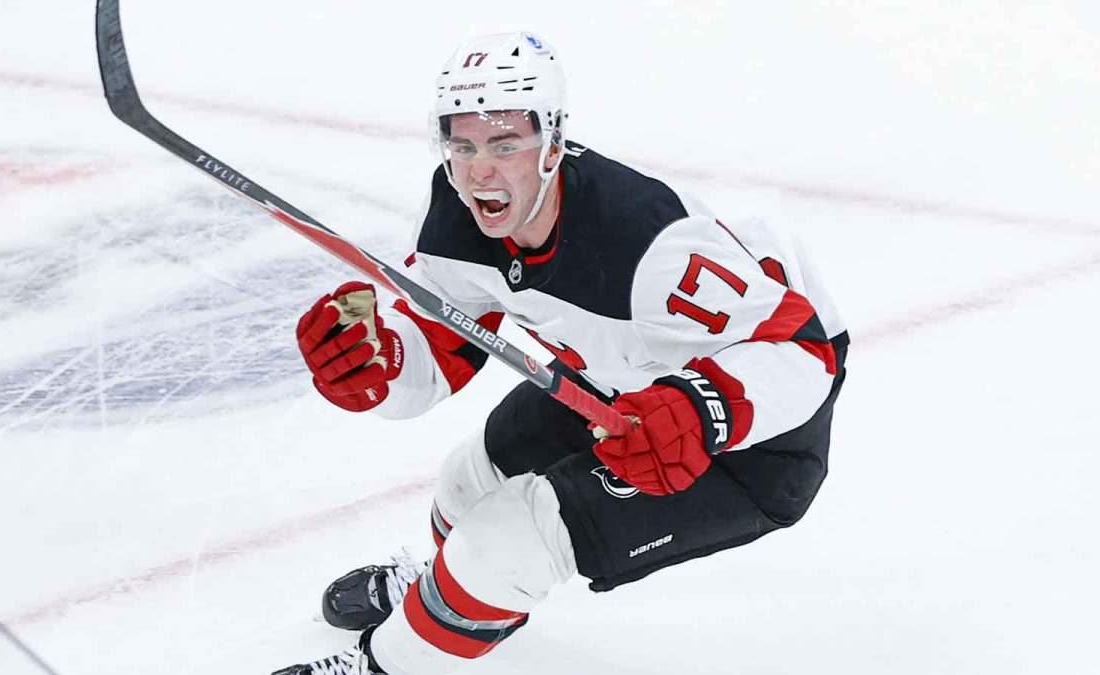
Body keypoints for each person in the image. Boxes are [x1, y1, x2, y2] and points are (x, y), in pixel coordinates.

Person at [275, 31, 849, 675]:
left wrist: (699, 409)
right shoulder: (459, 218)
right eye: (462, 145)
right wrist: (379, 364)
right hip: (618, 384)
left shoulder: (648, 239)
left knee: (505, 545)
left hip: (748, 448)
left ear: (552, 142)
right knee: (471, 478)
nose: (478, 171)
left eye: (504, 143)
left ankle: (384, 665)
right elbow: (436, 353)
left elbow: (803, 355)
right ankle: (440, 594)